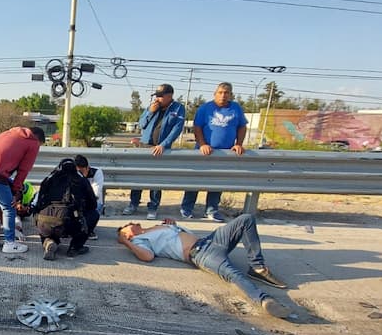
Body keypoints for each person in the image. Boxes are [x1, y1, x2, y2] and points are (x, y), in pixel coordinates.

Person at [117, 214, 294, 319]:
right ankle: (264, 300)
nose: (129, 224)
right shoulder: (140, 241)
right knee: (231, 274)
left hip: (210, 240)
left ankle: (257, 267)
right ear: (127, 235)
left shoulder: (156, 226)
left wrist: (174, 225)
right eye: (125, 228)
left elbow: (180, 235)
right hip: (201, 254)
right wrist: (126, 242)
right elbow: (147, 257)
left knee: (246, 219)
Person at [0, 126, 45, 254]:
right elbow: (23, 171)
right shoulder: (33, 143)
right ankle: (10, 244)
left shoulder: (9, 132)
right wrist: (15, 193)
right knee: (9, 208)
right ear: (39, 139)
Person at [181, 82, 248, 222]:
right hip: (204, 151)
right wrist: (202, 144)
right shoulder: (205, 108)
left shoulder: (236, 108)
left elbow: (242, 127)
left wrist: (239, 144)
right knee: (195, 180)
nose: (223, 95)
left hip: (224, 153)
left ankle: (211, 210)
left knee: (217, 181)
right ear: (215, 93)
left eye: (227, 93)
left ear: (230, 95)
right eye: (221, 92)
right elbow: (197, 127)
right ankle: (187, 208)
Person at [124, 83, 186, 220]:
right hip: (144, 147)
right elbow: (141, 124)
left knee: (155, 180)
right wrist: (151, 112)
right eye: (156, 96)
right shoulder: (152, 106)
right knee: (138, 178)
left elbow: (177, 129)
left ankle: (153, 207)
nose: (157, 98)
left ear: (169, 96)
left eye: (160, 96)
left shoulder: (178, 109)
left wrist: (164, 145)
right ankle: (133, 204)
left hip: (160, 149)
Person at [33, 158, 98, 260]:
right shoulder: (81, 180)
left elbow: (36, 203)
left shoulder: (48, 179)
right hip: (67, 222)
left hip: (44, 223)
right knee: (94, 214)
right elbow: (93, 204)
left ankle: (48, 241)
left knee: (47, 224)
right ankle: (75, 247)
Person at [74, 154, 104, 238]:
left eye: (83, 171)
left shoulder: (97, 172)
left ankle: (89, 229)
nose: (81, 174)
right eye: (79, 172)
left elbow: (96, 193)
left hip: (93, 201)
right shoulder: (73, 174)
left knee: (94, 210)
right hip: (78, 201)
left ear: (88, 167)